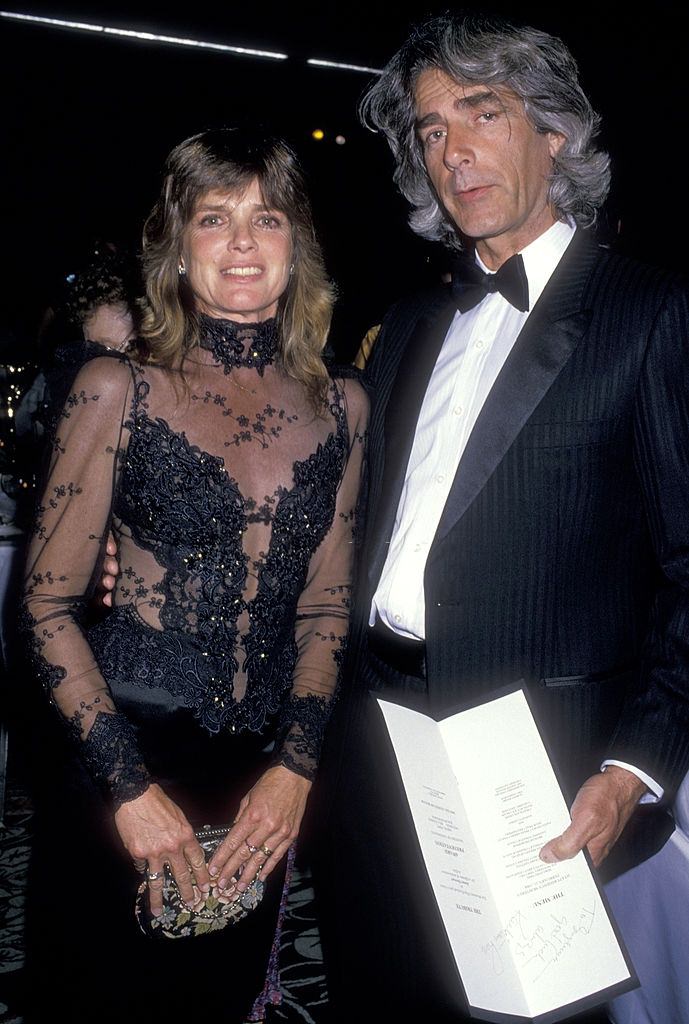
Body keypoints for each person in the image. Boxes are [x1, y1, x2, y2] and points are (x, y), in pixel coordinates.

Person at [312, 13, 689, 1023]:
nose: (452, 150)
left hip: (541, 772)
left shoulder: (649, 313)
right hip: (378, 753)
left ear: (554, 133)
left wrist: (631, 766)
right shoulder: (409, 328)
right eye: (429, 129)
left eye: (482, 113)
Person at [20, 126, 367, 1024]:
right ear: (178, 250)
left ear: (299, 248)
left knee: (215, 1001)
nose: (244, 243)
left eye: (268, 218)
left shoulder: (342, 405)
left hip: (256, 781)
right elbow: (45, 606)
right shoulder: (117, 387)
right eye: (215, 219)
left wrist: (295, 769)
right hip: (121, 761)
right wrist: (128, 791)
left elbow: (328, 607)